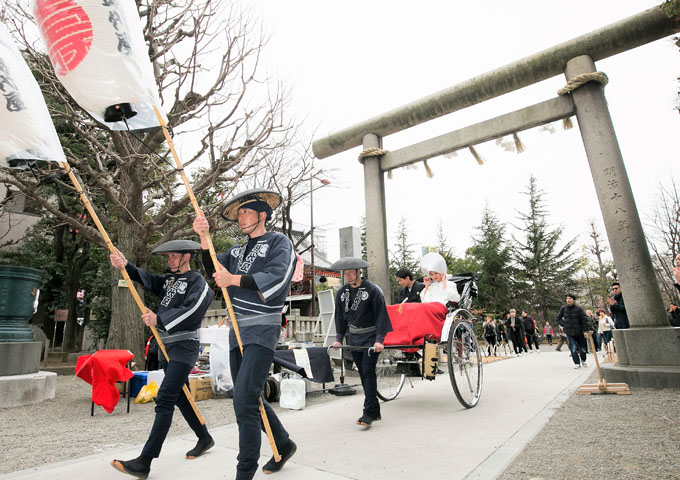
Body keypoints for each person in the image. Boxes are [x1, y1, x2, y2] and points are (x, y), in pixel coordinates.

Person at [193, 189, 297, 479]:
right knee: (247, 394)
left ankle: (244, 472)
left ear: (263, 215)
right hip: (236, 329)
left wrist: (234, 279)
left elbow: (278, 276)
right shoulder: (237, 252)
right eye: (238, 214)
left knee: (244, 402)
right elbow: (214, 267)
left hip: (262, 329)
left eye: (246, 212)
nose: (240, 218)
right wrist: (204, 237)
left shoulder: (279, 242)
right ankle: (284, 443)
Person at [109, 240, 215, 479]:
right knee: (180, 396)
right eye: (168, 257)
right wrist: (126, 264)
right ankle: (204, 437)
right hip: (167, 346)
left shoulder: (197, 281)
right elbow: (148, 279)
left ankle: (144, 461)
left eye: (174, 257)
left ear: (187, 257)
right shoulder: (168, 281)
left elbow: (194, 308)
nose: (169, 261)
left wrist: (161, 321)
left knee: (165, 398)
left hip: (185, 348)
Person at [331, 256, 392, 427]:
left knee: (367, 370)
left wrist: (380, 340)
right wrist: (338, 339)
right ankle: (375, 410)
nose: (348, 276)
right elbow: (339, 318)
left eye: (351, 273)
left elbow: (381, 316)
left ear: (359, 272)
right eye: (346, 273)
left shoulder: (373, 290)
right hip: (354, 338)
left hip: (371, 337)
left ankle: (368, 413)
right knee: (364, 373)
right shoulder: (342, 293)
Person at [555, 293, 591, 369]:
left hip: (580, 332)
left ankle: (583, 360)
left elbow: (585, 320)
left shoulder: (579, 309)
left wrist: (585, 331)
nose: (568, 300)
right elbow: (558, 318)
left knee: (582, 349)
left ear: (574, 300)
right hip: (569, 332)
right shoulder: (563, 308)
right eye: (567, 298)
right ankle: (577, 363)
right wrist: (564, 324)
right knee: (573, 348)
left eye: (570, 298)